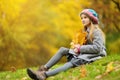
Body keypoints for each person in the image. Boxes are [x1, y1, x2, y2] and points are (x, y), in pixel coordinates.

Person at [27, 9, 107, 80]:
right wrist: (76, 46)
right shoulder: (86, 31)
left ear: (91, 19)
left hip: (95, 54)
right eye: (81, 18)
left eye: (85, 18)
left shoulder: (96, 31)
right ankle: (44, 69)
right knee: (63, 50)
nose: (82, 20)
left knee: (72, 62)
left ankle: (44, 75)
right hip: (85, 52)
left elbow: (98, 48)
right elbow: (83, 45)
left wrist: (80, 48)